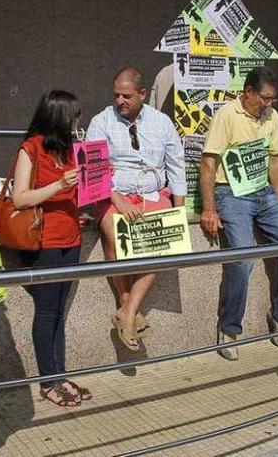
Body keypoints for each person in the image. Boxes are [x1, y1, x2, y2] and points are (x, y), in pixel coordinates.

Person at [200, 66, 278, 361]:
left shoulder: (271, 116)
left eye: (273, 99)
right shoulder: (226, 116)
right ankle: (229, 328)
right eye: (265, 98)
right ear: (248, 92)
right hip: (231, 194)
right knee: (243, 261)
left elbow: (275, 159)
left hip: (264, 193)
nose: (269, 104)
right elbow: (208, 164)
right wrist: (208, 208)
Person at [87, 67, 186, 351]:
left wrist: (176, 211)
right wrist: (117, 200)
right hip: (113, 193)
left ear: (142, 94)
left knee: (164, 242)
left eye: (127, 96)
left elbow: (176, 165)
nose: (120, 101)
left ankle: (127, 311)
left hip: (153, 191)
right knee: (113, 235)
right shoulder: (101, 121)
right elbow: (93, 171)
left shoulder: (162, 122)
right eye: (116, 95)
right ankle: (126, 302)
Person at [11, 90, 91, 407]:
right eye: (74, 115)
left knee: (59, 310)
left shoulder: (71, 150)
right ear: (58, 116)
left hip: (71, 238)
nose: (77, 121)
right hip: (43, 241)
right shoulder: (30, 149)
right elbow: (20, 198)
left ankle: (59, 374)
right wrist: (59, 186)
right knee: (46, 311)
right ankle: (48, 380)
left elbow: (75, 193)